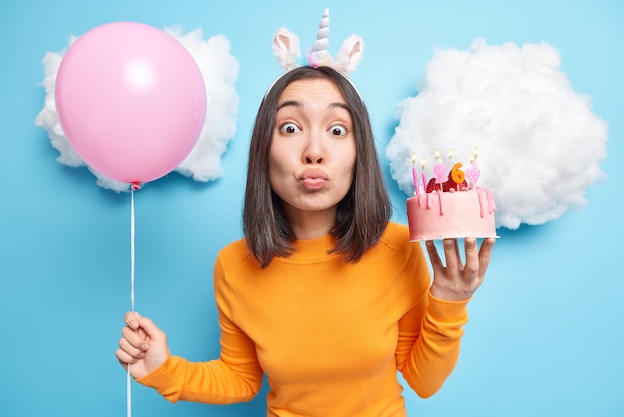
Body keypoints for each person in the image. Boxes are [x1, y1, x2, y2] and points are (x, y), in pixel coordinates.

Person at [116, 63, 495, 416]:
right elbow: (241, 379)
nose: (314, 152)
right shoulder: (233, 266)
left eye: (336, 130)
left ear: (358, 152)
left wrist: (450, 302)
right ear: (263, 150)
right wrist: (164, 370)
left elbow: (423, 382)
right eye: (290, 128)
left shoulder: (398, 249)